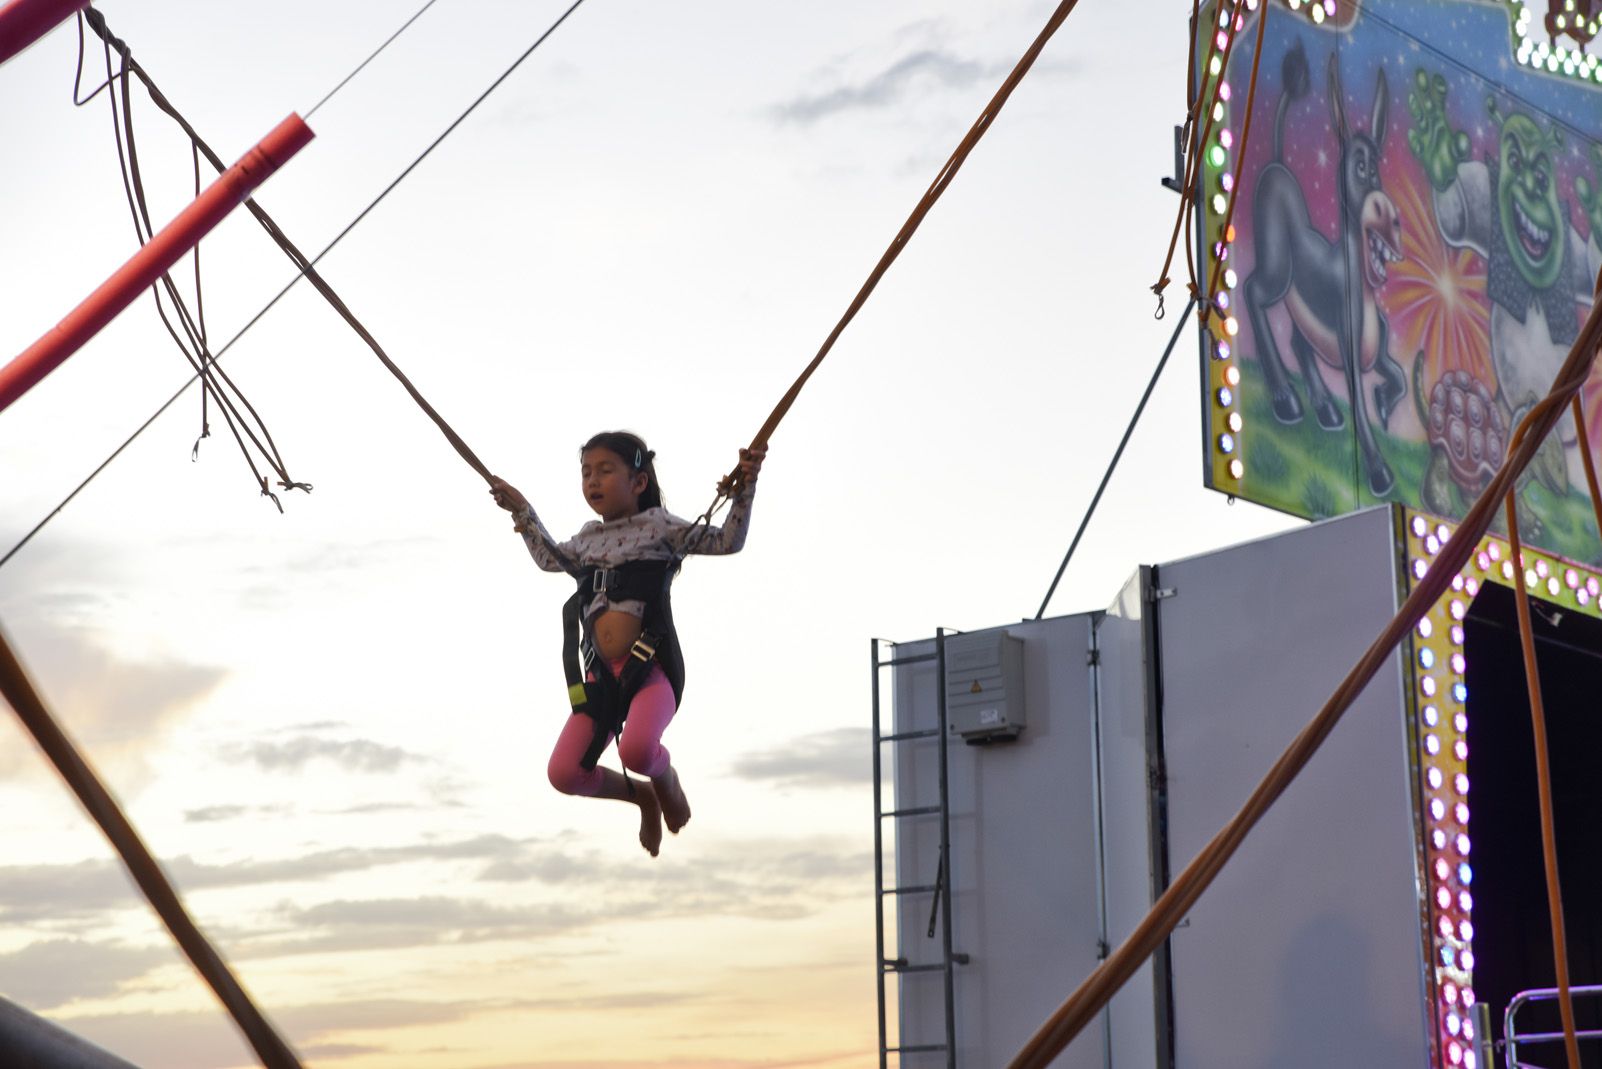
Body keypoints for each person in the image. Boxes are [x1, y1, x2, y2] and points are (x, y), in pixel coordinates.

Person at [488, 431, 764, 856]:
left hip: (650, 670)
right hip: (601, 678)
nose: (593, 481)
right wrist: (522, 511)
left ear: (638, 482)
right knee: (564, 773)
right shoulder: (586, 540)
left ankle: (665, 779)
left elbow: (729, 540)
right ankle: (642, 797)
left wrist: (745, 484)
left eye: (605, 471)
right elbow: (549, 558)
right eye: (586, 473)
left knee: (637, 750)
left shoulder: (660, 527)